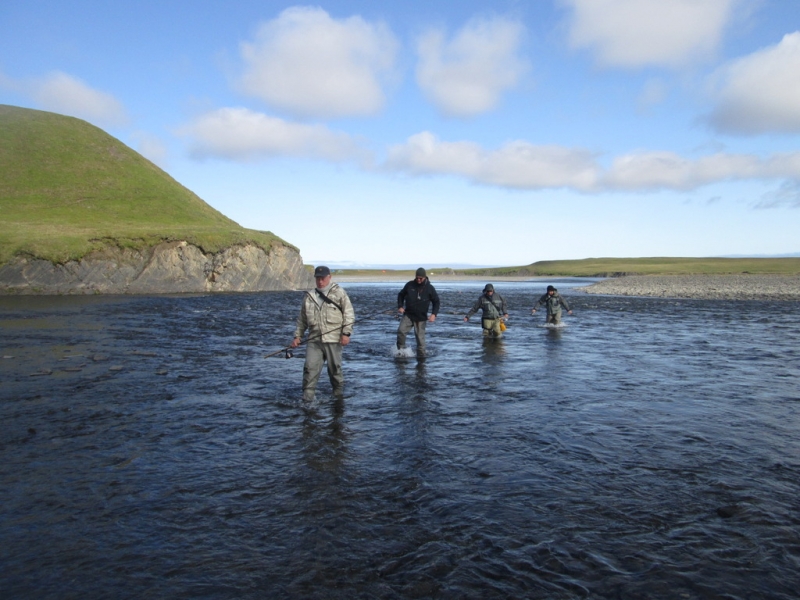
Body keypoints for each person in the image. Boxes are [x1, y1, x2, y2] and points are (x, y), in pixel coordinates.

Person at [291, 266, 354, 401]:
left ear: (329, 277)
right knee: (309, 369)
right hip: (314, 340)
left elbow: (349, 314)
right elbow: (302, 320)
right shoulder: (309, 297)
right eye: (318, 278)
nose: (320, 281)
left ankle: (338, 397)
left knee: (335, 371)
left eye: (323, 278)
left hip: (334, 339)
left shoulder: (339, 293)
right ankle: (307, 399)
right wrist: (297, 336)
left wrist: (346, 333)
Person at [397, 267, 440, 357]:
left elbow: (436, 302)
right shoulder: (410, 285)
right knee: (401, 331)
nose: (419, 280)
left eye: (421, 278)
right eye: (417, 278)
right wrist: (400, 306)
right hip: (408, 315)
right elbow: (401, 295)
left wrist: (433, 314)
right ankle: (400, 352)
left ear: (425, 277)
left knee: (420, 341)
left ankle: (421, 359)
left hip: (421, 318)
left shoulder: (430, 288)